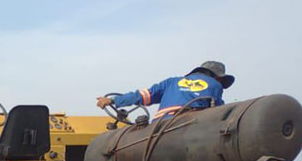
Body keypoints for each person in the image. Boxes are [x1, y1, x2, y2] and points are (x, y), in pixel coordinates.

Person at [97, 61, 233, 122]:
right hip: (193, 125)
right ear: (218, 77)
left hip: (160, 126)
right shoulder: (215, 85)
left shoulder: (171, 82)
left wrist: (113, 100)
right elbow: (218, 113)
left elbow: (142, 96)